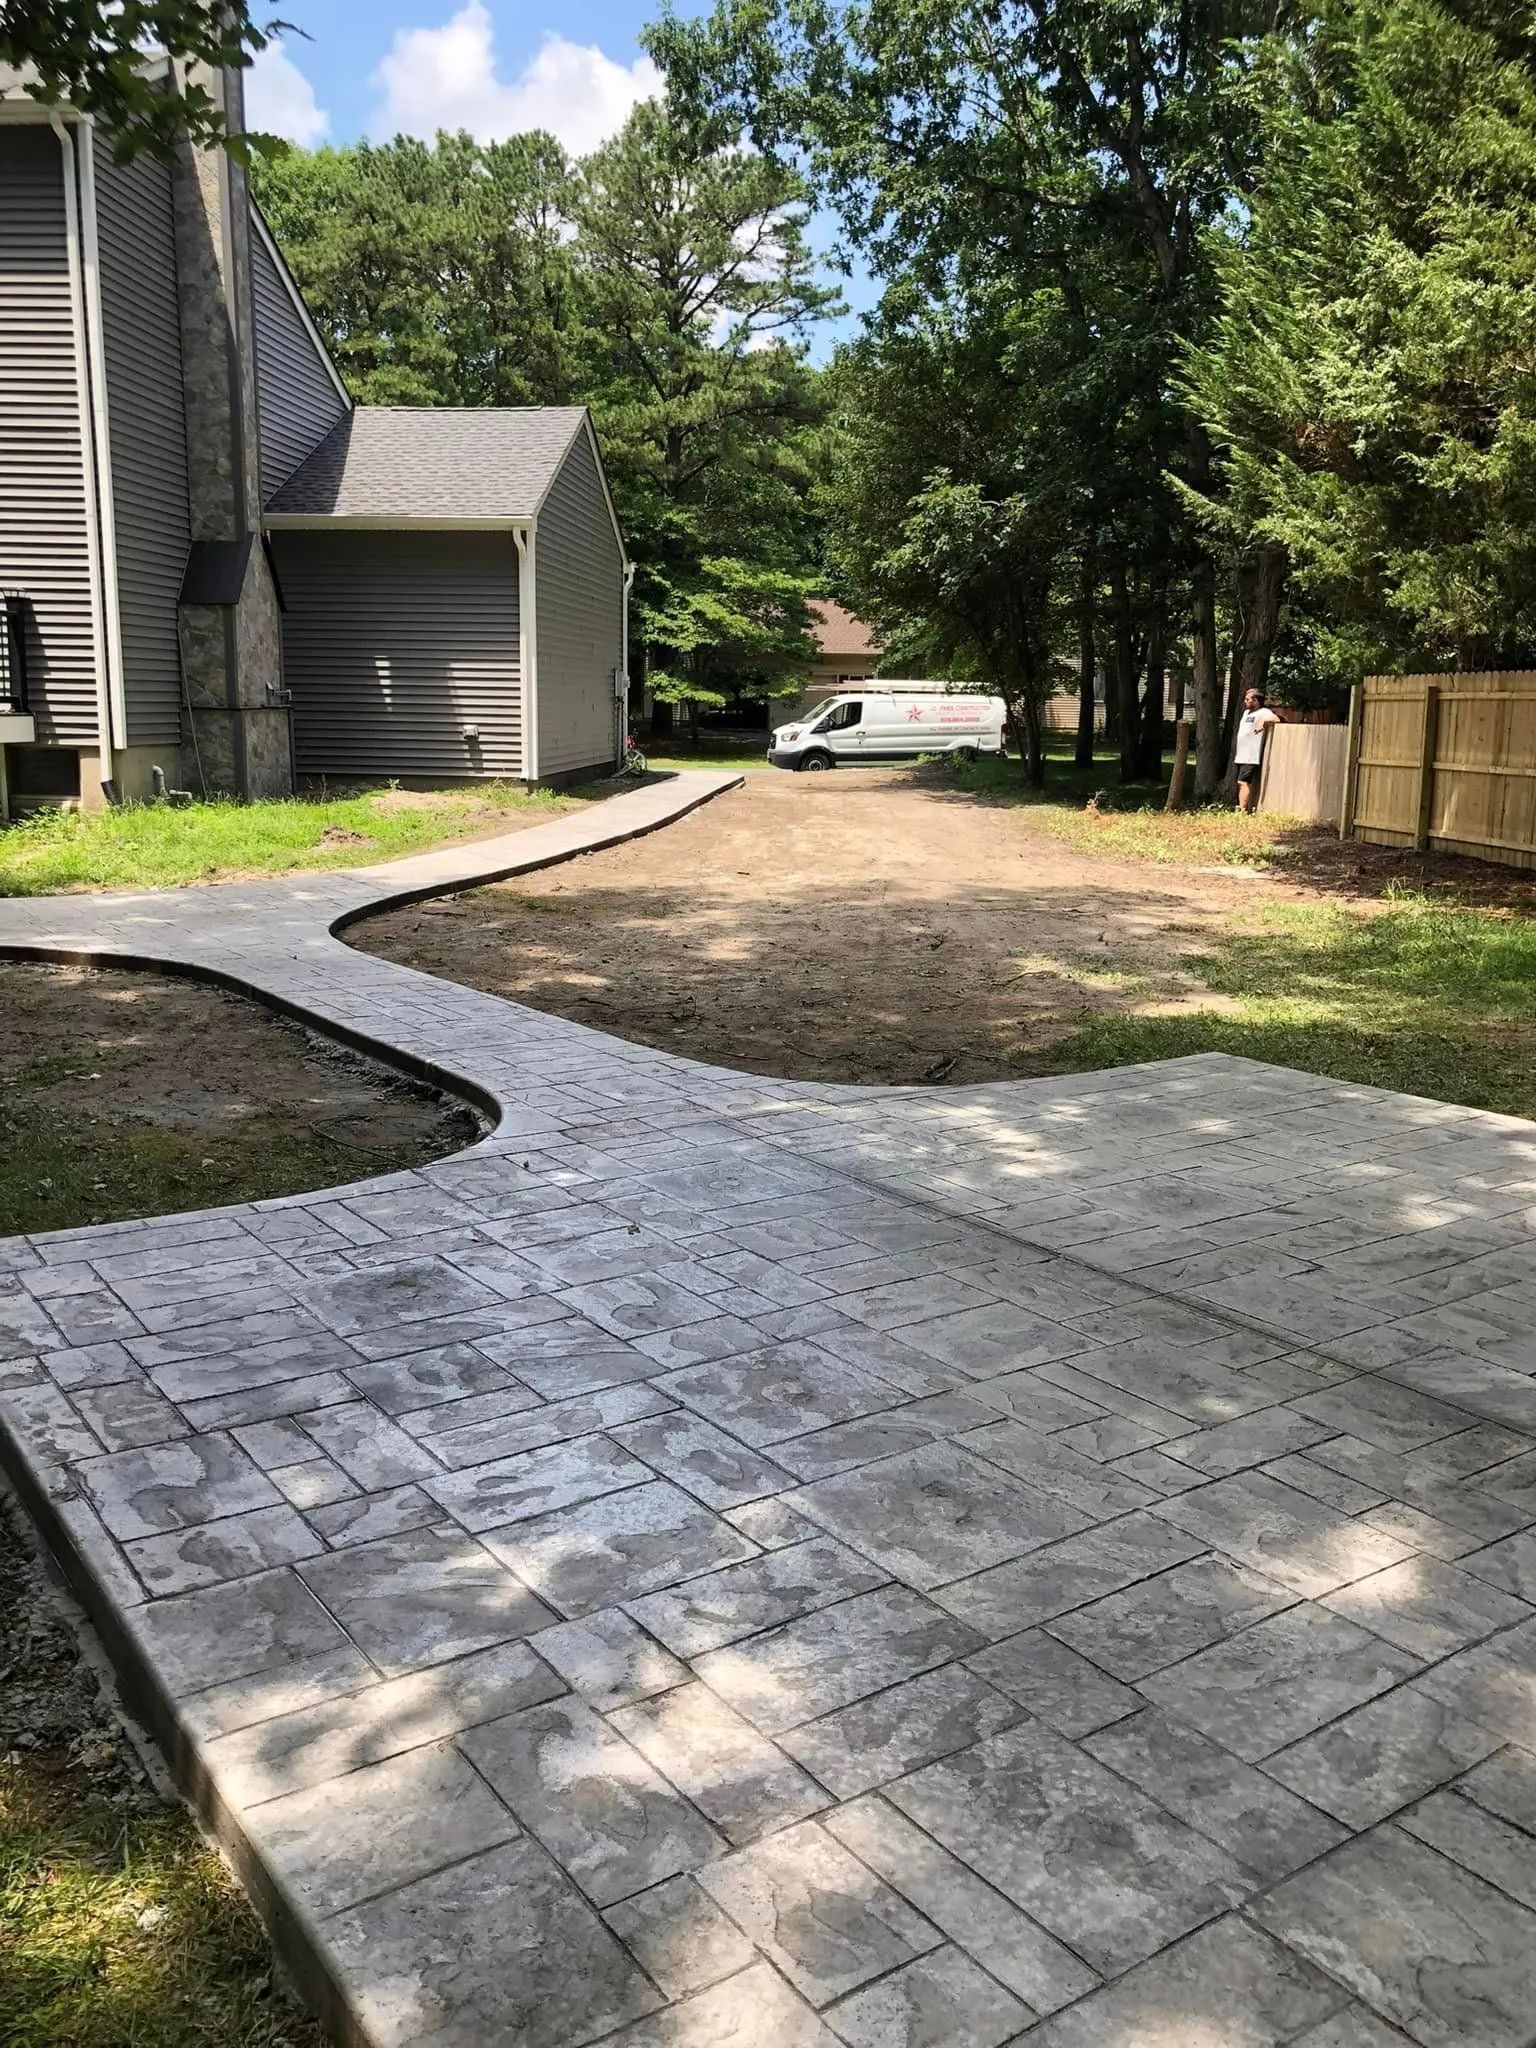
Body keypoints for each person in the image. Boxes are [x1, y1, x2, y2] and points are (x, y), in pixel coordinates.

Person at [1233, 687, 1280, 811]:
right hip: (1241, 754)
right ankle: (1242, 806)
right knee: (1240, 782)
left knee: (1243, 782)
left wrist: (1263, 722)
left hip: (1250, 755)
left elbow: (1276, 719)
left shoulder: (1263, 712)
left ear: (1255, 700)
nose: (1245, 701)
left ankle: (1242, 810)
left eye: (1247, 699)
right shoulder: (1246, 713)